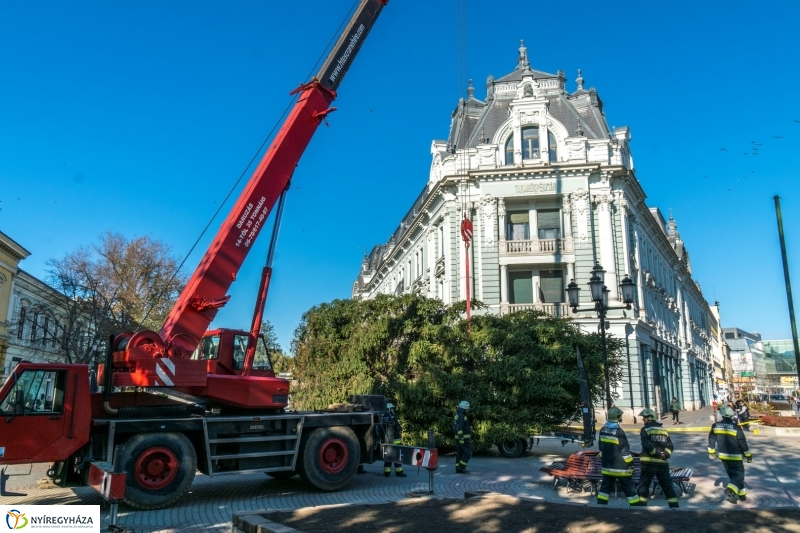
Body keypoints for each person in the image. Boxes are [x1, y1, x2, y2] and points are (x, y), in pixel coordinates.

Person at [597, 406, 646, 507]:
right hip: (622, 469)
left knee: (604, 490)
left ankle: (599, 507)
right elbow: (625, 452)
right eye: (620, 416)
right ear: (618, 417)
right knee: (630, 489)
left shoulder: (602, 430)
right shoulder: (619, 432)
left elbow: (601, 448)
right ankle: (637, 508)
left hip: (607, 468)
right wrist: (631, 465)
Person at [636, 408, 679, 509]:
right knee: (667, 486)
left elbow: (647, 445)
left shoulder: (645, 429)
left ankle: (641, 507)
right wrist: (665, 455)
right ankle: (675, 507)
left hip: (649, 463)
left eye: (644, 417)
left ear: (650, 418)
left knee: (644, 485)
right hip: (662, 464)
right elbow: (670, 446)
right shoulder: (663, 430)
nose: (643, 419)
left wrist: (658, 454)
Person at [708, 406, 752, 504]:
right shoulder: (736, 427)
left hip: (723, 456)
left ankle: (741, 495)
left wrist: (711, 452)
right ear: (732, 416)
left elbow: (711, 439)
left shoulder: (715, 426)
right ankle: (730, 490)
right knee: (739, 475)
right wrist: (748, 455)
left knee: (733, 476)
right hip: (735, 456)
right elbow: (742, 442)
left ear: (722, 415)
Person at [381, 403, 406, 477]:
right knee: (397, 457)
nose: (393, 410)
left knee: (388, 456)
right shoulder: (392, 418)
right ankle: (399, 472)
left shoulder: (383, 418)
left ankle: (387, 472)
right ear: (388, 409)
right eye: (392, 409)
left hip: (387, 441)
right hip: (395, 441)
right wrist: (400, 433)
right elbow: (398, 428)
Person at [453, 400, 472, 474]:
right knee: (468, 452)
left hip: (459, 438)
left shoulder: (457, 415)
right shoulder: (461, 416)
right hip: (463, 438)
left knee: (460, 453)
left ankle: (458, 468)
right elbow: (459, 428)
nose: (467, 410)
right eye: (467, 409)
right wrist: (461, 438)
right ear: (464, 409)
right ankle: (461, 467)